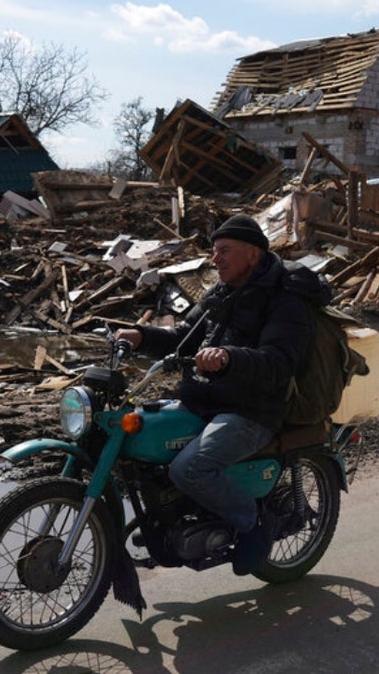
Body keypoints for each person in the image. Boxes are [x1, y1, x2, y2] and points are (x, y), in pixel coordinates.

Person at [115, 213, 325, 575]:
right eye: (214, 252)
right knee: (140, 442)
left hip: (252, 411)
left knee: (189, 468)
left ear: (253, 255)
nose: (215, 259)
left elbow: (279, 363)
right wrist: (141, 336)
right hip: (203, 402)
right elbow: (184, 336)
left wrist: (229, 358)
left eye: (224, 251)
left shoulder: (286, 301)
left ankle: (253, 522)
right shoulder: (222, 294)